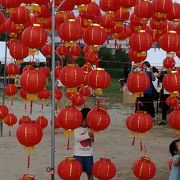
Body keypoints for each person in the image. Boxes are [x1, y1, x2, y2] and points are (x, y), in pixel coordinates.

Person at [74, 108, 94, 180]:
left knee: (90, 172)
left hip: (88, 154)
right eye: (86, 121)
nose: (88, 123)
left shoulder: (90, 128)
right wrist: (88, 135)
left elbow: (92, 141)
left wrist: (92, 138)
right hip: (78, 154)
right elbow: (77, 138)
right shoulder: (76, 128)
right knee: (77, 173)